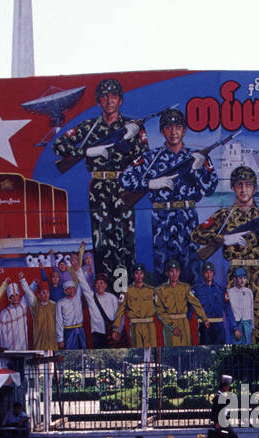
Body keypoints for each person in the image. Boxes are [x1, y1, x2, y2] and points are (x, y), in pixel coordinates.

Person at [48, 78, 147, 283]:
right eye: (104, 97)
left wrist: (131, 139)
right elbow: (58, 146)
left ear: (120, 100)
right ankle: (105, 289)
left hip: (123, 187)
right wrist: (87, 150)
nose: (109, 100)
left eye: (113, 96)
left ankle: (124, 289)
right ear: (98, 101)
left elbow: (144, 159)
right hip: (99, 187)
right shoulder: (89, 127)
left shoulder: (134, 127)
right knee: (101, 242)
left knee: (125, 241)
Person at [120, 107, 218, 284]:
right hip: (162, 220)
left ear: (185, 130)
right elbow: (125, 179)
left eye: (178, 127)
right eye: (168, 127)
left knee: (192, 271)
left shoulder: (196, 157)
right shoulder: (151, 157)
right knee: (163, 270)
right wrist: (150, 183)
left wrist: (197, 170)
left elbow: (210, 188)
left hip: (188, 219)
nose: (174, 132)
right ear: (162, 131)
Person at [191, 164, 259, 344]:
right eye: (239, 184)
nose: (244, 189)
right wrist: (223, 239)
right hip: (235, 275)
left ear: (255, 189)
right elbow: (197, 234)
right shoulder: (225, 215)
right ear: (233, 187)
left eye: (248, 185)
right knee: (234, 325)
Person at [154, 258, 211, 347]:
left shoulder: (185, 287)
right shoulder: (160, 290)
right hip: (170, 324)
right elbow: (160, 312)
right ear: (167, 273)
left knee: (188, 345)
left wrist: (204, 318)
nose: (174, 274)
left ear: (179, 272)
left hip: (184, 323)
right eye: (171, 271)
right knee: (173, 347)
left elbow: (195, 303)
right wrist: (172, 327)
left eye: (177, 271)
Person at [78, 270, 125, 347]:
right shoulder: (91, 297)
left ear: (106, 285)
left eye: (102, 283)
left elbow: (120, 315)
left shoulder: (112, 298)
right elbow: (83, 284)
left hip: (112, 333)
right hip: (97, 334)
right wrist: (78, 270)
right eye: (97, 283)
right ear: (95, 285)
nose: (99, 286)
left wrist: (118, 331)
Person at [201, 374, 238, 438]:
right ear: (224, 387)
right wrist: (217, 422)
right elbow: (215, 411)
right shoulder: (219, 397)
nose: (229, 388)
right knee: (229, 437)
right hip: (220, 422)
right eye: (228, 386)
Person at [122, 262, 160, 347]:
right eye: (136, 273)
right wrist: (116, 329)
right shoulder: (126, 291)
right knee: (137, 348)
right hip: (135, 326)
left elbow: (160, 307)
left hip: (149, 325)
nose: (139, 276)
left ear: (144, 275)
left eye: (141, 273)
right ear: (133, 275)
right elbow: (120, 310)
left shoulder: (152, 290)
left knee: (152, 348)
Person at [193, 261, 231, 345]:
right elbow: (191, 309)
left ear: (213, 273)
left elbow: (228, 308)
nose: (209, 274)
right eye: (206, 272)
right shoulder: (197, 290)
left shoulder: (220, 289)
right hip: (204, 325)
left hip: (219, 326)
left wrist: (234, 327)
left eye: (211, 272)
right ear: (203, 274)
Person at [22, 277, 59, 352]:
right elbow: (29, 293)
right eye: (43, 293)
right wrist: (23, 280)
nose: (46, 295)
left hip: (53, 342)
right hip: (39, 343)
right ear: (38, 295)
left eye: (47, 292)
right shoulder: (35, 306)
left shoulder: (54, 305)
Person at [0, 280, 32, 351]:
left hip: (24, 345)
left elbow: (29, 292)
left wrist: (33, 283)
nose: (15, 298)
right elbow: (2, 331)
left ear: (19, 295)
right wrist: (4, 346)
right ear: (9, 298)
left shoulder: (23, 305)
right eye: (12, 296)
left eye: (16, 295)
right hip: (11, 346)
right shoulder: (4, 313)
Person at [54, 277, 88, 350]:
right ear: (65, 291)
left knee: (83, 349)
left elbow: (81, 282)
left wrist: (85, 272)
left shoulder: (77, 297)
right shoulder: (60, 303)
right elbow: (58, 321)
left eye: (72, 288)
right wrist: (60, 339)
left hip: (80, 330)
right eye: (68, 289)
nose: (71, 290)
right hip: (69, 332)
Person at [226, 267, 255, 344]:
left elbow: (251, 309)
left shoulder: (249, 292)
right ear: (235, 279)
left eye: (244, 278)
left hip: (247, 323)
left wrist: (252, 326)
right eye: (240, 278)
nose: (242, 280)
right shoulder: (230, 292)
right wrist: (235, 328)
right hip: (236, 324)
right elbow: (228, 312)